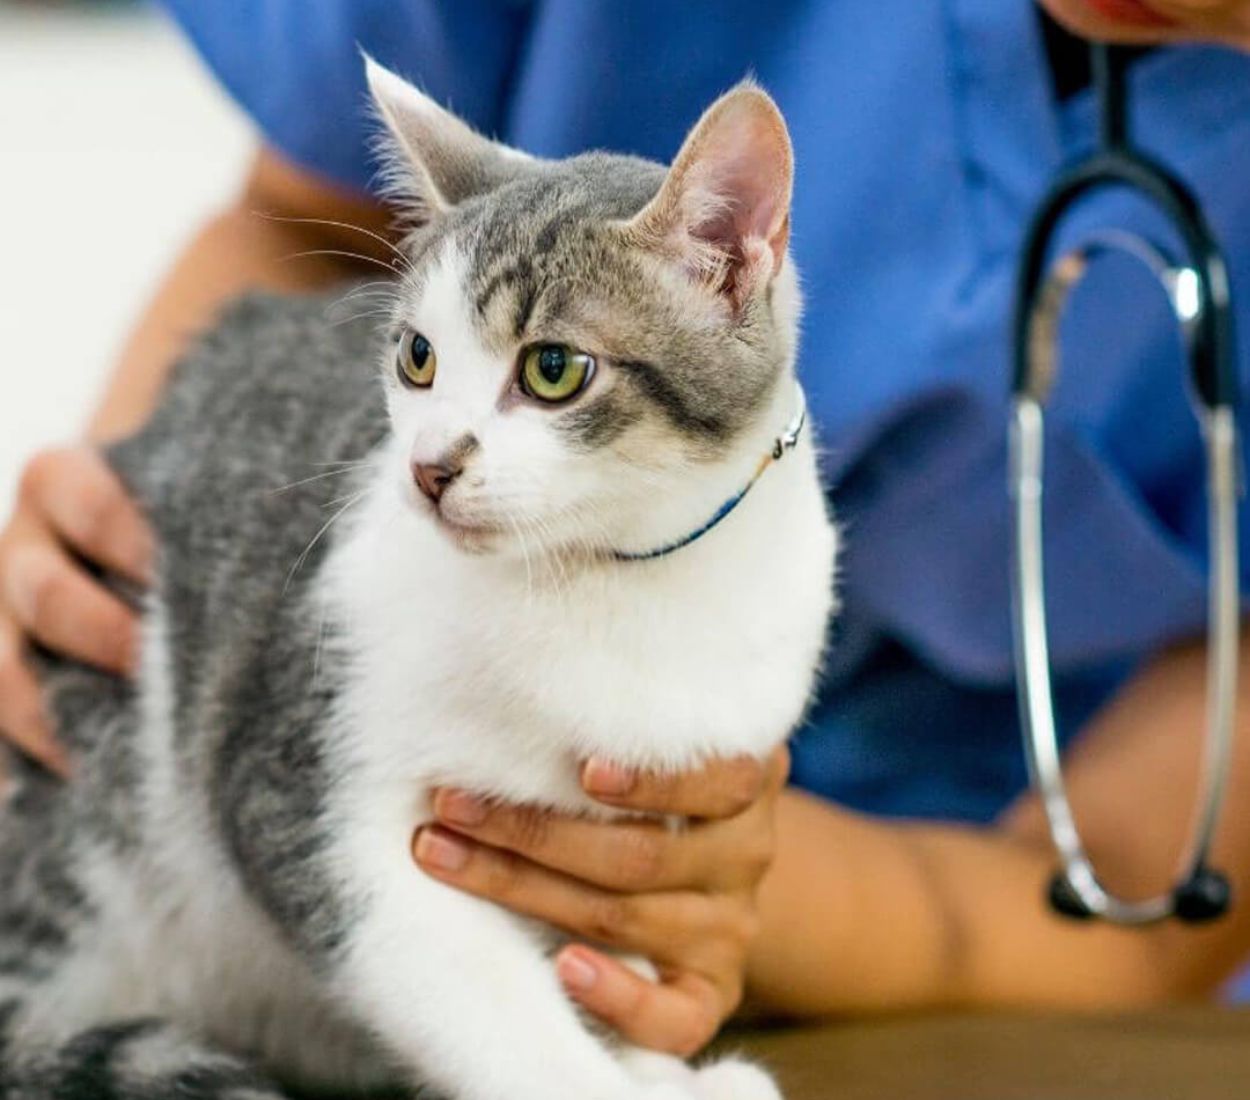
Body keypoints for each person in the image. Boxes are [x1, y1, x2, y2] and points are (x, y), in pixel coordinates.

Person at [4, 0, 1250, 1057]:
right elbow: (296, 226)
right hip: (292, 854)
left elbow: (1145, 905)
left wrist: (709, 883)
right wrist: (101, 564)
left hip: (930, 923)